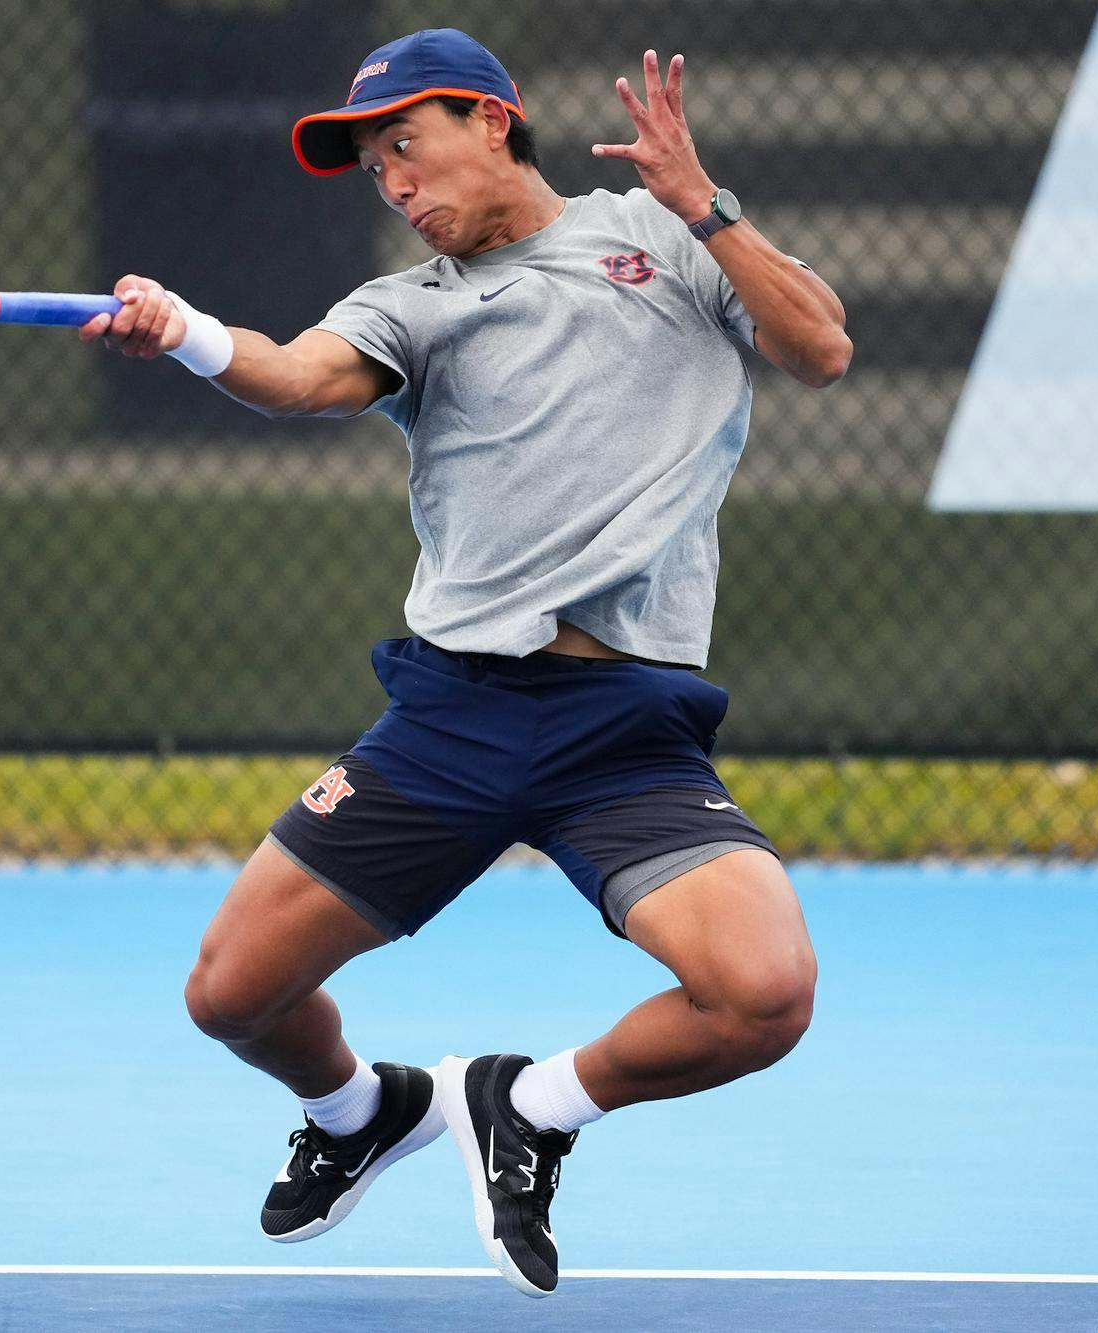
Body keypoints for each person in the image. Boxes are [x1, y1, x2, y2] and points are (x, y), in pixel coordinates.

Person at [79, 28, 849, 1298]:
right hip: (455, 715)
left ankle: (530, 1106)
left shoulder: (662, 236)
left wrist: (701, 206)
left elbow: (818, 346)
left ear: (492, 122)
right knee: (230, 996)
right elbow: (291, 375)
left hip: (624, 725)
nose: (389, 178)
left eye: (403, 142)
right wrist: (187, 336)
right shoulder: (410, 307)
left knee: (762, 994)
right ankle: (357, 1114)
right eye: (370, 163)